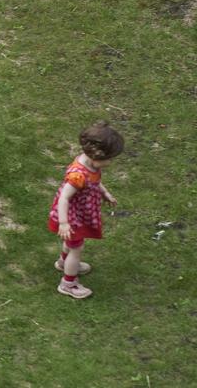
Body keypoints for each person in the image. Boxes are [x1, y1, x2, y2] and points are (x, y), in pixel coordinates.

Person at [49, 122, 124, 299]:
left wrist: (104, 193)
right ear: (96, 155)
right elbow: (64, 198)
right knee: (77, 248)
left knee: (72, 244)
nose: (110, 162)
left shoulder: (89, 163)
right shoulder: (78, 176)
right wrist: (64, 223)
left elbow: (95, 181)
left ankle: (62, 262)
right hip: (73, 217)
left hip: (78, 213)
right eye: (109, 158)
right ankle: (68, 283)